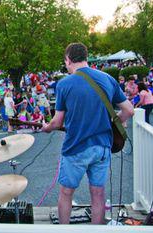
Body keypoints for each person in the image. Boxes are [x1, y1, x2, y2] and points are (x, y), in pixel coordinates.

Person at [42, 43, 134, 224]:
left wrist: (47, 127)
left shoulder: (65, 84)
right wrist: (115, 123)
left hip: (76, 147)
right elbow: (129, 110)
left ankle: (65, 229)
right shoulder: (107, 78)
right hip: (102, 146)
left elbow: (57, 121)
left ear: (68, 60)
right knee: (98, 193)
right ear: (85, 57)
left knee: (66, 192)